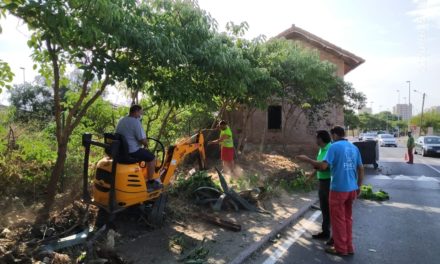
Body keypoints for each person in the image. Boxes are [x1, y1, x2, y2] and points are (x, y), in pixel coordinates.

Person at [296, 126, 364, 256]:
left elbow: (323, 166)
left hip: (338, 189)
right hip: (351, 189)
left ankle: (340, 248)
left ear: (334, 135)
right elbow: (361, 169)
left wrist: (307, 160)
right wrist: (358, 186)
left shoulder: (334, 147)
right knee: (347, 219)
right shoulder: (354, 148)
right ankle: (349, 247)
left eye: (332, 135)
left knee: (338, 219)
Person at [297, 130, 332, 241]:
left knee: (329, 209)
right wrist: (310, 177)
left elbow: (323, 166)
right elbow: (318, 166)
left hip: (328, 182)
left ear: (321, 139)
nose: (315, 140)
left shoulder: (330, 149)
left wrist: (307, 160)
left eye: (316, 137)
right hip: (322, 181)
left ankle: (332, 235)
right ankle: (326, 232)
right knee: (324, 208)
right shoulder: (322, 149)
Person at [115, 104, 161, 188]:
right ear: (136, 112)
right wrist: (146, 144)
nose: (141, 115)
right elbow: (142, 140)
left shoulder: (122, 120)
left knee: (144, 155)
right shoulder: (135, 122)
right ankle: (150, 181)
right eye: (140, 113)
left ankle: (142, 176)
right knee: (151, 158)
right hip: (132, 151)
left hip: (120, 150)